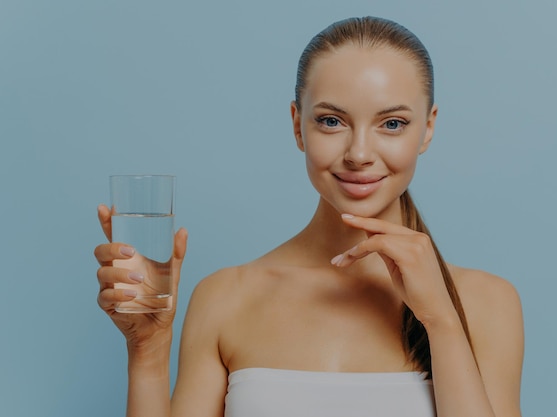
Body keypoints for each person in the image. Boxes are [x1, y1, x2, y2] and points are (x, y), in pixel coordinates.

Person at [95, 16, 524, 417]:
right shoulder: (225, 298)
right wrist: (148, 353)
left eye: (391, 124)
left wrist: (440, 321)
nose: (358, 154)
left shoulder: (485, 304)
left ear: (427, 129)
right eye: (331, 121)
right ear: (298, 125)